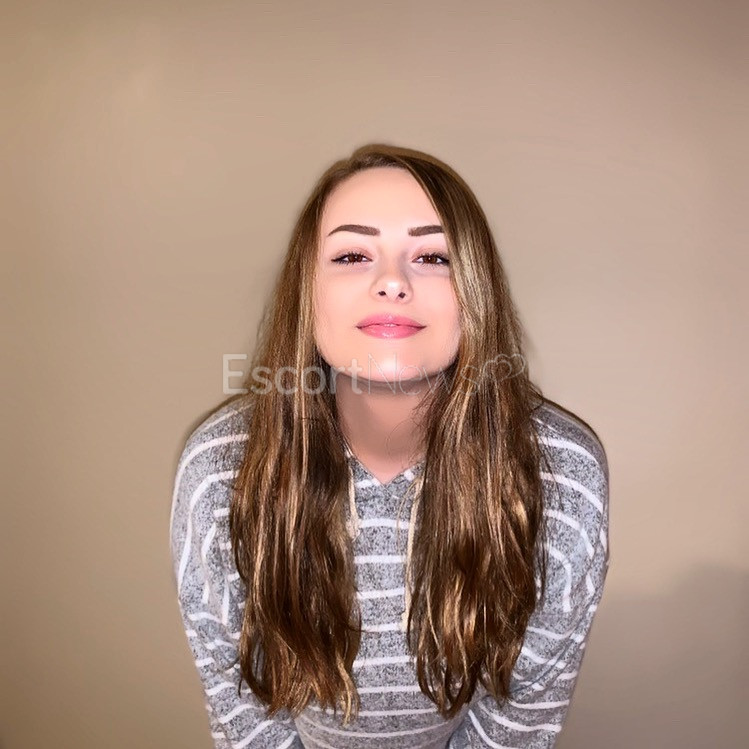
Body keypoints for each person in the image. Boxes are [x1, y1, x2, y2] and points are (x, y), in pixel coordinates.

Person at [169, 144, 610, 748]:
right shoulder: (221, 472)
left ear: (475, 292)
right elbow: (242, 710)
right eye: (352, 255)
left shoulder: (562, 476)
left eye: (432, 256)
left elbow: (519, 720)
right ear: (307, 292)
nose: (393, 282)